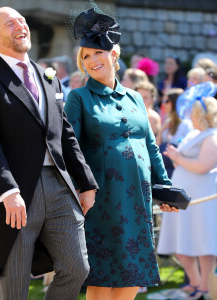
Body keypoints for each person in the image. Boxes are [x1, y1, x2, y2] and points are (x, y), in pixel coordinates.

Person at [0, 6, 99, 300]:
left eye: (21, 21)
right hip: (18, 192)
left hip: (60, 187)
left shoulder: (49, 77)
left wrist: (86, 182)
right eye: (10, 23)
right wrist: (8, 191)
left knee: (77, 269)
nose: (20, 25)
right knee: (15, 284)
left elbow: (65, 134)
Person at [64, 8, 177, 300]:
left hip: (138, 199)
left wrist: (163, 188)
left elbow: (150, 146)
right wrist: (82, 187)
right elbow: (69, 146)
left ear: (114, 55)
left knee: (133, 273)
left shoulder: (136, 97)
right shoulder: (79, 97)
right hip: (101, 199)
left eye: (97, 53)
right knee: (101, 279)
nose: (91, 61)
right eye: (85, 56)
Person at [157, 97, 217, 299]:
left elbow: (203, 166)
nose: (189, 114)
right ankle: (194, 282)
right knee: (182, 242)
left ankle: (205, 286)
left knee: (203, 242)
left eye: (193, 111)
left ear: (202, 114)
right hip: (183, 197)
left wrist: (178, 157)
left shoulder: (212, 136)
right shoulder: (194, 133)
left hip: (202, 197)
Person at [156, 88, 193, 178]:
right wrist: (161, 130)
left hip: (176, 170)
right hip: (164, 169)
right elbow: (157, 145)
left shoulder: (186, 123)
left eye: (166, 101)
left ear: (175, 102)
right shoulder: (167, 121)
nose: (163, 104)